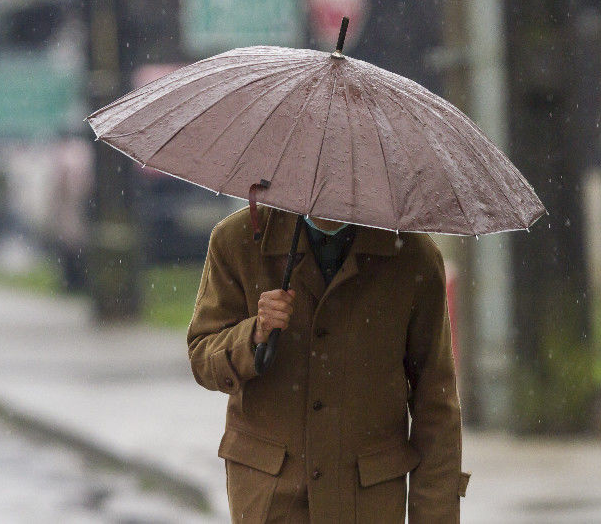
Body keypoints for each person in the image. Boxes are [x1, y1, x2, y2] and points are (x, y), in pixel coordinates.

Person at [187, 205, 469, 523]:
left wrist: (435, 515)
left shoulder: (413, 255)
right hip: (270, 499)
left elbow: (435, 403)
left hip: (367, 503)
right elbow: (202, 357)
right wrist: (254, 333)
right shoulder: (238, 240)